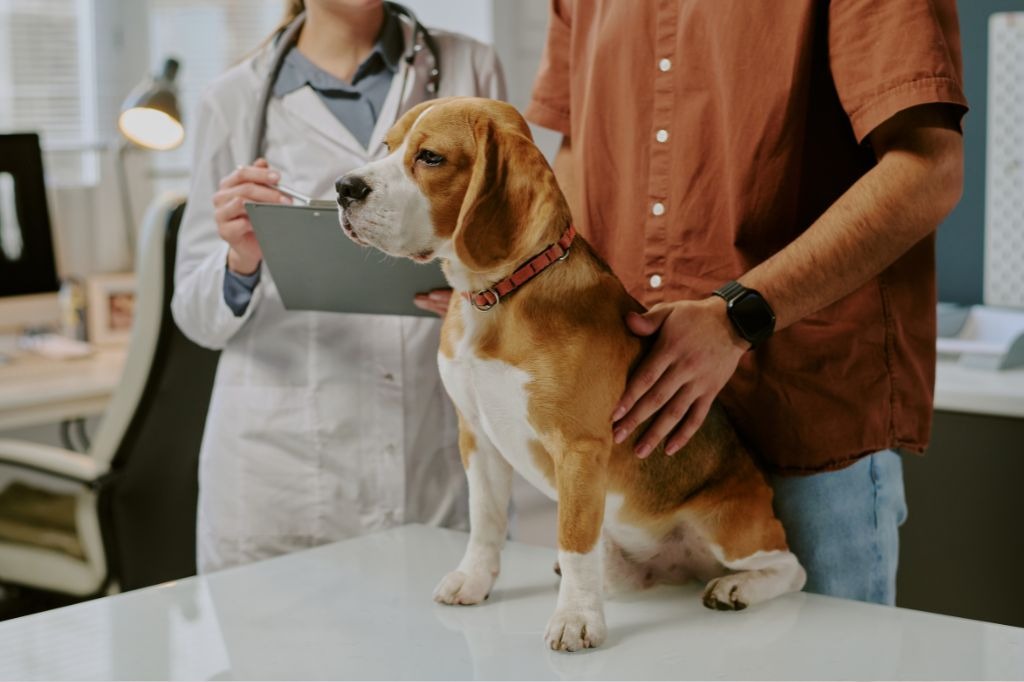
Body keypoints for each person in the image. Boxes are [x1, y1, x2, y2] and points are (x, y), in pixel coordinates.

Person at [526, 0, 966, 604]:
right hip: (638, 434)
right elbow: (578, 146)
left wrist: (738, 315)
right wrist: (523, 281)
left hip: (803, 417)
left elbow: (929, 169)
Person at [172, 0, 506, 573]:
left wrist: (485, 291)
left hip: (432, 459)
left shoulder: (468, 70)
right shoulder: (231, 100)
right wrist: (240, 257)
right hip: (281, 478)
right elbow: (195, 315)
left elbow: (522, 242)